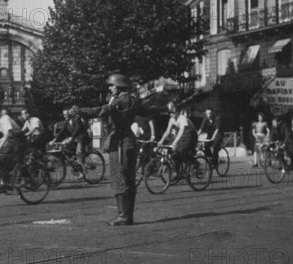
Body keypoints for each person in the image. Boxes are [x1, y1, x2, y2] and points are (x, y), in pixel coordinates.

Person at [70, 73, 150, 226]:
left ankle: (124, 216)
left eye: (112, 86)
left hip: (121, 143)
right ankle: (126, 215)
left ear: (119, 86)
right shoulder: (129, 99)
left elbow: (102, 110)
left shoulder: (123, 100)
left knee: (119, 177)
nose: (110, 88)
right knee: (126, 178)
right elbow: (146, 109)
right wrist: (164, 108)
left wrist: (80, 110)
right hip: (123, 141)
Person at [55, 108, 91, 179]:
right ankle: (77, 166)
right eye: (64, 114)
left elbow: (78, 128)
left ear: (70, 114)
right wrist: (55, 139)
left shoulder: (77, 119)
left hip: (82, 138)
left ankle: (82, 172)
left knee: (78, 153)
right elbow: (62, 131)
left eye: (66, 114)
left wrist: (72, 137)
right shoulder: (67, 121)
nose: (65, 115)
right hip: (75, 139)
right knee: (68, 152)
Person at [169, 105, 199, 177]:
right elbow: (167, 131)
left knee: (182, 150)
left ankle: (194, 162)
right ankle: (176, 173)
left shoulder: (182, 118)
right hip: (183, 136)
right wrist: (161, 141)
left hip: (191, 136)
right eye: (170, 113)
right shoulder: (172, 120)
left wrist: (174, 142)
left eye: (173, 112)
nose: (171, 114)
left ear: (177, 112)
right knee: (175, 153)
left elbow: (181, 131)